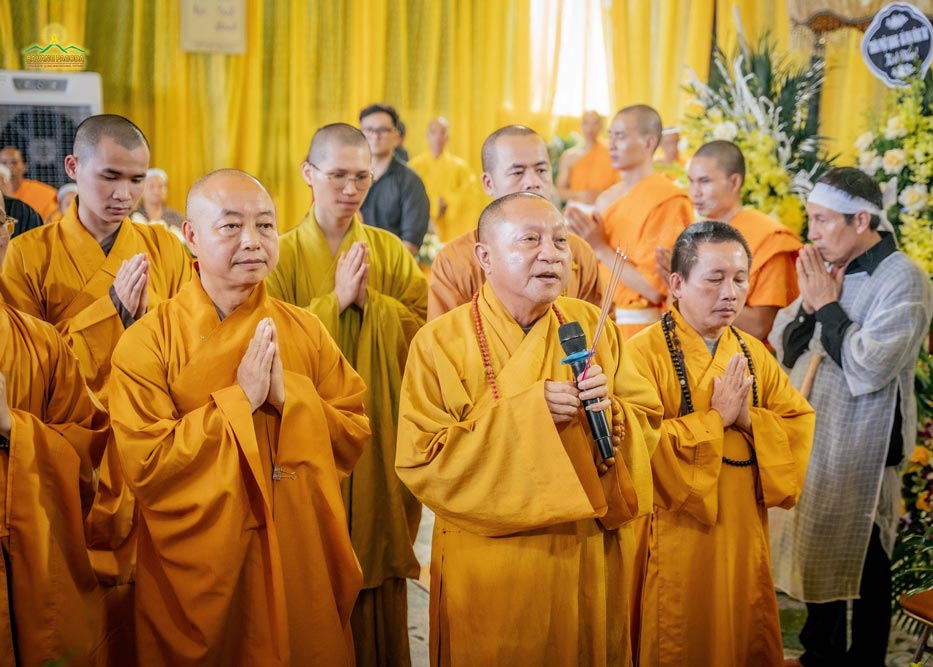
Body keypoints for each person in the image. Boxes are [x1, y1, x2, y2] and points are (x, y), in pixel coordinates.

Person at [109, 169, 372, 666]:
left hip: (298, 548)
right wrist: (241, 400)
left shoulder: (307, 330)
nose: (253, 241)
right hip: (201, 563)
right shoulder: (147, 341)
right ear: (190, 235)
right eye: (230, 226)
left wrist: (290, 396)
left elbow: (354, 431)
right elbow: (145, 464)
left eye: (266, 226)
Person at [397, 192, 658, 666]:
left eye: (560, 241)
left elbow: (646, 420)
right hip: (492, 564)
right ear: (484, 256)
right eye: (530, 240)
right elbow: (423, 460)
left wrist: (612, 417)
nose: (551, 254)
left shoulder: (591, 325)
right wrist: (532, 414)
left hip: (584, 553)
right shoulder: (439, 342)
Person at [267, 124, 426, 667]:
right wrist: (333, 303)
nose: (351, 188)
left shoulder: (388, 251)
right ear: (309, 174)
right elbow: (265, 344)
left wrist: (375, 307)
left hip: (377, 436)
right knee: (312, 565)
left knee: (377, 567)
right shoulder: (280, 255)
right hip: (310, 440)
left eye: (362, 176)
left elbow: (423, 332)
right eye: (337, 175)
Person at [627, 221, 815, 666]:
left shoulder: (753, 354)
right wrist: (716, 421)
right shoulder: (641, 355)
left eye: (739, 279)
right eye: (714, 279)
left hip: (741, 531)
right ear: (677, 283)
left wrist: (749, 418)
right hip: (674, 534)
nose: (730, 293)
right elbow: (637, 444)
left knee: (741, 632)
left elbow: (797, 424)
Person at [770, 168, 933, 667]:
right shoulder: (830, 266)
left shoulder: (903, 279)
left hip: (868, 446)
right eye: (811, 220)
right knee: (817, 541)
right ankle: (821, 654)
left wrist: (826, 307)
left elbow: (869, 365)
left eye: (821, 220)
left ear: (860, 219)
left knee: (867, 565)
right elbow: (785, 345)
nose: (812, 232)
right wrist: (810, 307)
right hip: (819, 432)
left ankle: (864, 660)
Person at [0, 195, 118, 667]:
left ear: (6, 234)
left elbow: (88, 446)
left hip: (35, 559)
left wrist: (16, 429)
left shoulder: (43, 343)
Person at [0, 114, 193, 401]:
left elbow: (190, 344)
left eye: (137, 179)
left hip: (150, 420)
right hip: (65, 428)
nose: (124, 195)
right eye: (110, 177)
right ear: (73, 167)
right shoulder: (26, 253)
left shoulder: (166, 247)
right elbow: (25, 366)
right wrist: (112, 311)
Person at [427, 125, 603, 320]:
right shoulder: (455, 260)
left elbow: (600, 335)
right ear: (488, 183)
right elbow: (443, 342)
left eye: (541, 170)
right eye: (518, 172)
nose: (532, 182)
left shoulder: (578, 253)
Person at [566, 104, 694, 338]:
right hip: (600, 324)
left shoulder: (667, 200)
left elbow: (654, 289)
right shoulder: (606, 198)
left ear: (648, 143)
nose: (611, 145)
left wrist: (600, 248)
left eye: (621, 137)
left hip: (644, 331)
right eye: (611, 136)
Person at [682, 140, 801, 340]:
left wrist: (691, 292)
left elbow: (760, 326)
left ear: (734, 182)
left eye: (704, 181)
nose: (695, 192)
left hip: (744, 362)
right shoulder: (694, 237)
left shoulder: (768, 239)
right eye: (691, 181)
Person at [359, 104, 430, 254]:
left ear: (396, 136)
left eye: (383, 130)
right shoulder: (350, 177)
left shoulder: (410, 181)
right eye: (369, 130)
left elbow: (411, 243)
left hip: (393, 271)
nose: (375, 136)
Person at [409, 117, 479, 243]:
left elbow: (470, 197)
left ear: (448, 138)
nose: (438, 137)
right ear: (426, 135)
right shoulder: (415, 166)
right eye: (433, 132)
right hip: (421, 225)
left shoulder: (460, 167)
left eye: (443, 132)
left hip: (451, 228)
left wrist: (447, 202)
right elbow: (409, 196)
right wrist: (434, 204)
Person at [556, 110, 620, 206]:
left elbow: (622, 186)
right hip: (577, 206)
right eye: (586, 123)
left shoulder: (612, 152)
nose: (590, 128)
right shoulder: (569, 156)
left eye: (595, 123)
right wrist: (581, 195)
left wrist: (602, 195)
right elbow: (560, 192)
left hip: (606, 205)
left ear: (601, 126)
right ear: (580, 126)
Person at [0, 145, 59, 221]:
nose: (9, 167)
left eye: (14, 162)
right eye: (4, 163)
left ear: (24, 167)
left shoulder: (44, 193)